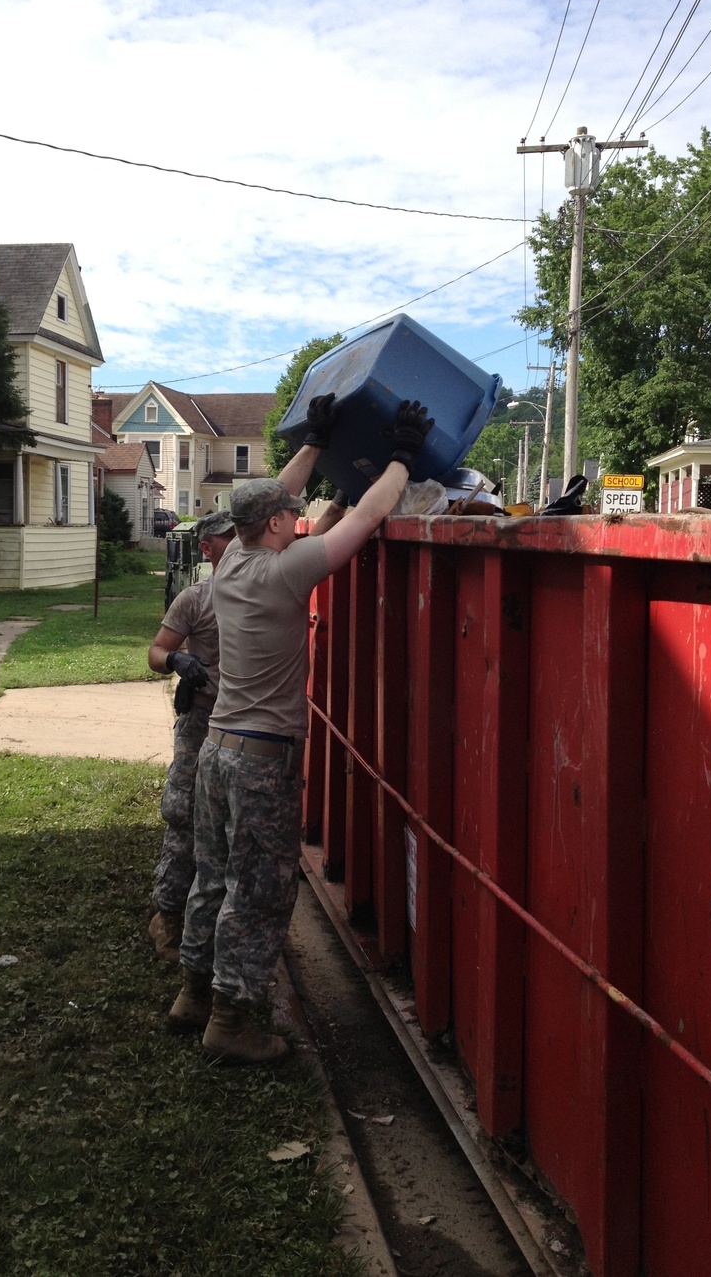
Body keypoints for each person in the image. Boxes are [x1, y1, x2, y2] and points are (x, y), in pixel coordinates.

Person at [168, 393, 436, 1063]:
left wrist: (315, 441)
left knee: (212, 875)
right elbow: (372, 513)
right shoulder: (289, 571)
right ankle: (232, 1020)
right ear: (281, 525)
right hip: (261, 761)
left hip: (216, 754)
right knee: (256, 891)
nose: (299, 512)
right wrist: (402, 455)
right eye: (294, 513)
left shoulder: (229, 564)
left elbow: (269, 497)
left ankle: (193, 991)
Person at [146, 511, 237, 962]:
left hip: (240, 726)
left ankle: (218, 921)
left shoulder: (259, 590)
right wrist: (177, 663)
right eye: (226, 539)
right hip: (201, 720)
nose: (236, 543)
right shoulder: (195, 599)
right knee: (183, 814)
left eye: (240, 535)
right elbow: (157, 650)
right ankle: (167, 915)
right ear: (206, 548)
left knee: (228, 824)